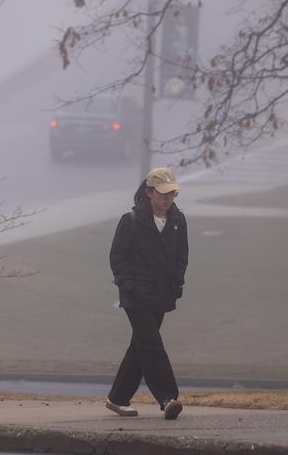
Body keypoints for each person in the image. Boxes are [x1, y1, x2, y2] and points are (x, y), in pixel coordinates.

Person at [104, 167, 188, 420]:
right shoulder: (130, 220)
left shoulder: (178, 221)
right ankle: (168, 398)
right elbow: (117, 257)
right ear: (149, 192)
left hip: (162, 295)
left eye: (172, 194)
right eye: (163, 194)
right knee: (151, 343)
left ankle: (118, 398)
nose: (168, 199)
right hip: (135, 296)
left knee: (140, 345)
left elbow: (181, 256)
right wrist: (128, 285)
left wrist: (176, 284)